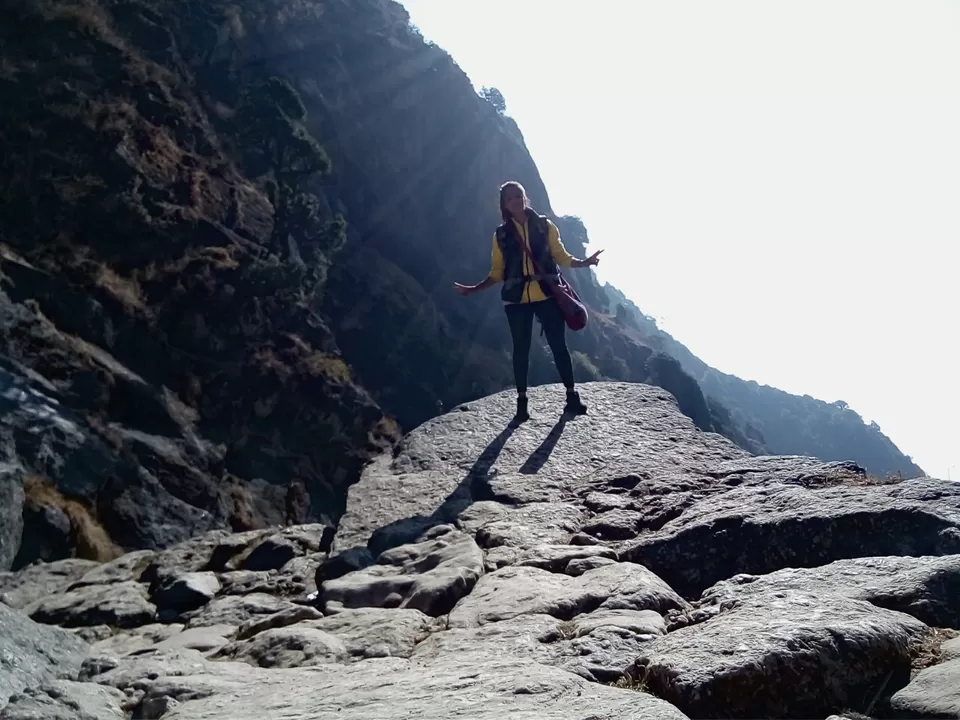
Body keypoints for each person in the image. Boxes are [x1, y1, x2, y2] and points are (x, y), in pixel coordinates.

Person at [454, 181, 603, 422]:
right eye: (510, 197)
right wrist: (473, 289)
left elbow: (561, 256)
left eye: (519, 195)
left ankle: (572, 398)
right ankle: (522, 405)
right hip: (517, 299)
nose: (516, 200)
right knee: (521, 350)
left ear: (525, 197)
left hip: (547, 294)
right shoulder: (501, 235)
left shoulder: (545, 226)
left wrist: (584, 262)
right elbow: (497, 272)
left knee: (559, 346)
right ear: (504, 204)